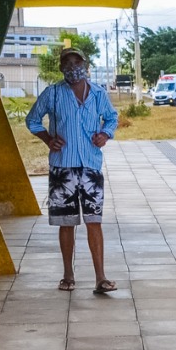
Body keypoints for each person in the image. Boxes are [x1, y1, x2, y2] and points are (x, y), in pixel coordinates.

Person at [26, 47, 120, 294]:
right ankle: (68, 275)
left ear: (85, 66)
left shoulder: (98, 93)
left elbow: (111, 118)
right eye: (67, 62)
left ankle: (101, 278)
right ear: (60, 68)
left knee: (94, 221)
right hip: (62, 167)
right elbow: (32, 120)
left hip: (90, 166)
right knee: (66, 223)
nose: (72, 66)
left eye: (76, 62)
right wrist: (48, 139)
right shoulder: (53, 94)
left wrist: (105, 134)